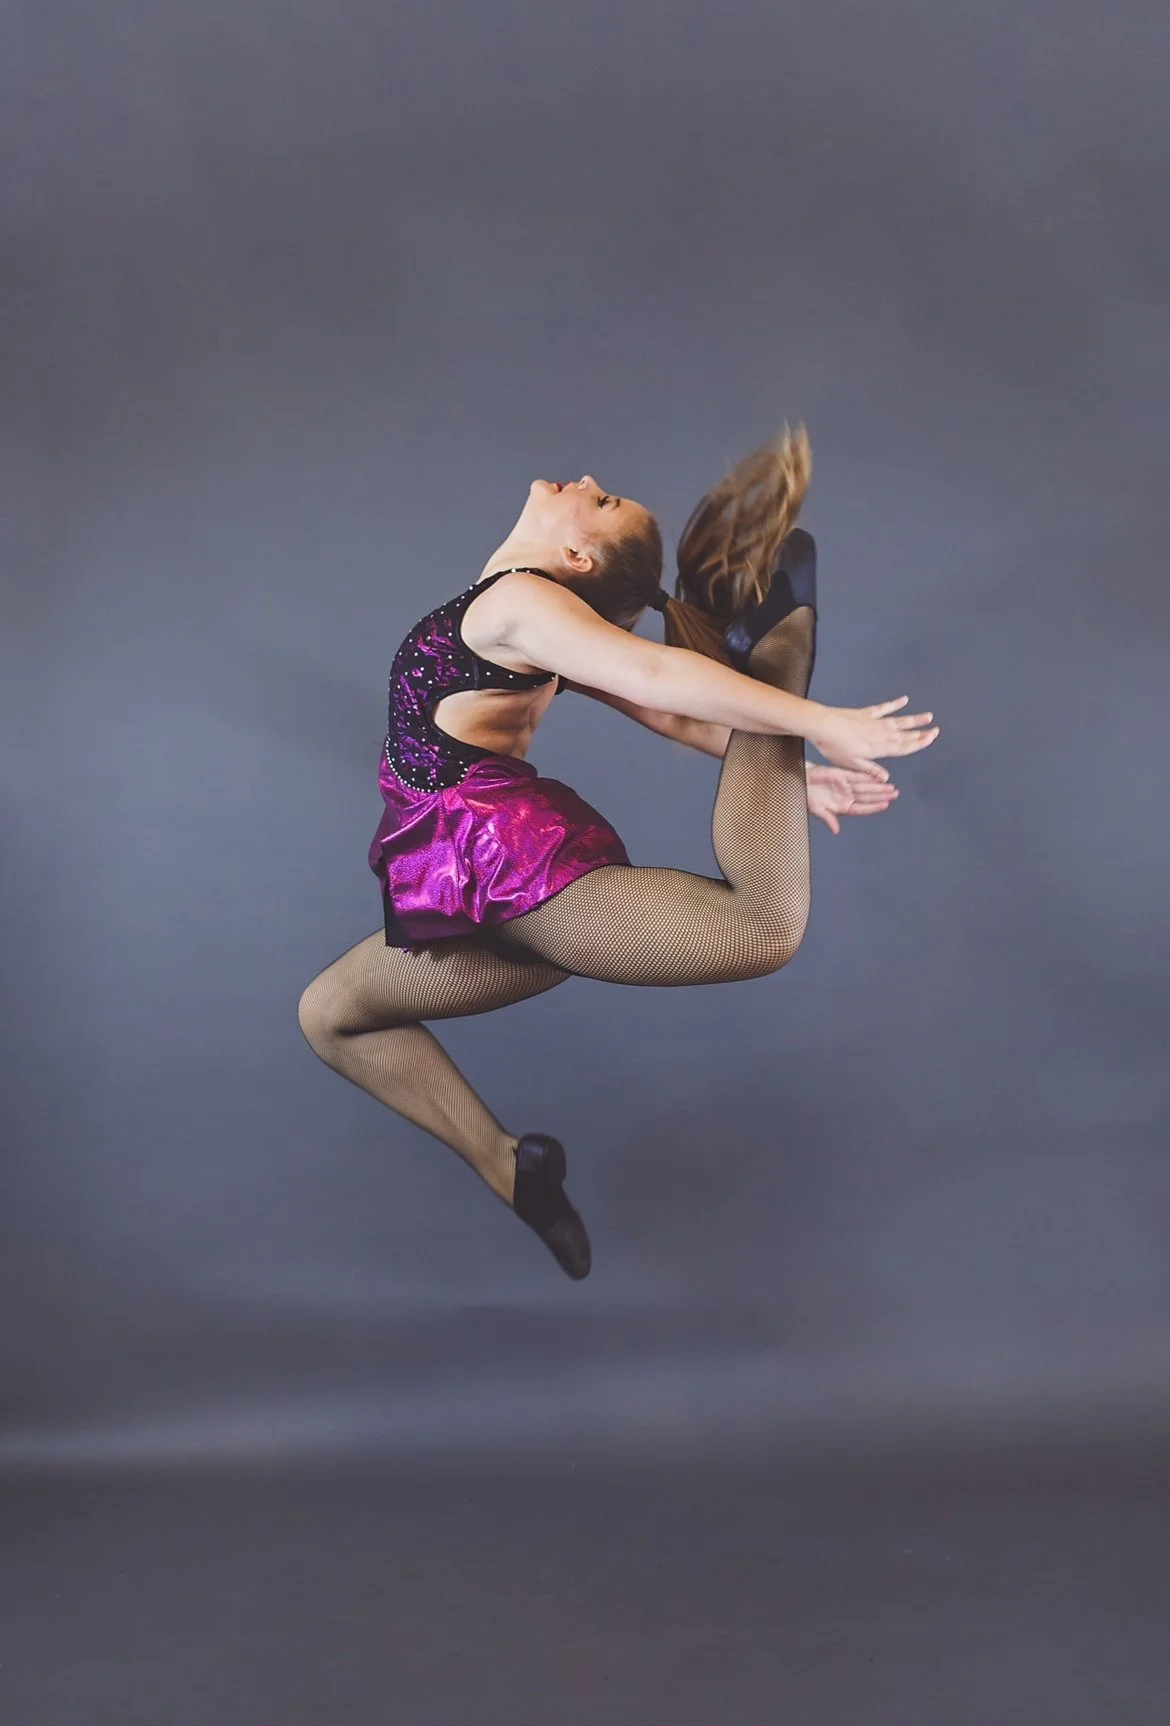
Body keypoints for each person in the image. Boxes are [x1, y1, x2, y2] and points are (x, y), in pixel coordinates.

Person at [297, 427, 939, 1280]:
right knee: (331, 1016)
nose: (591, 481)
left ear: (576, 555)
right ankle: (511, 1171)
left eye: (600, 504)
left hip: (520, 881)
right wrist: (803, 780)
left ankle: (781, 643)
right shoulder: (532, 611)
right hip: (471, 890)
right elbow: (672, 715)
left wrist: (819, 727)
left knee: (762, 928)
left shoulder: (521, 605)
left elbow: (664, 686)